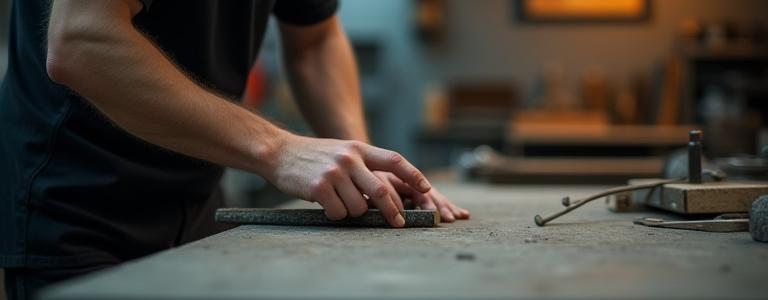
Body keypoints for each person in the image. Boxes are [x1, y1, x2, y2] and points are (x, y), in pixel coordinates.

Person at [0, 0, 470, 298]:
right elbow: (83, 39)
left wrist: (366, 167)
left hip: (200, 210)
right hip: (80, 208)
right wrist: (279, 149)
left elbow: (315, 38)